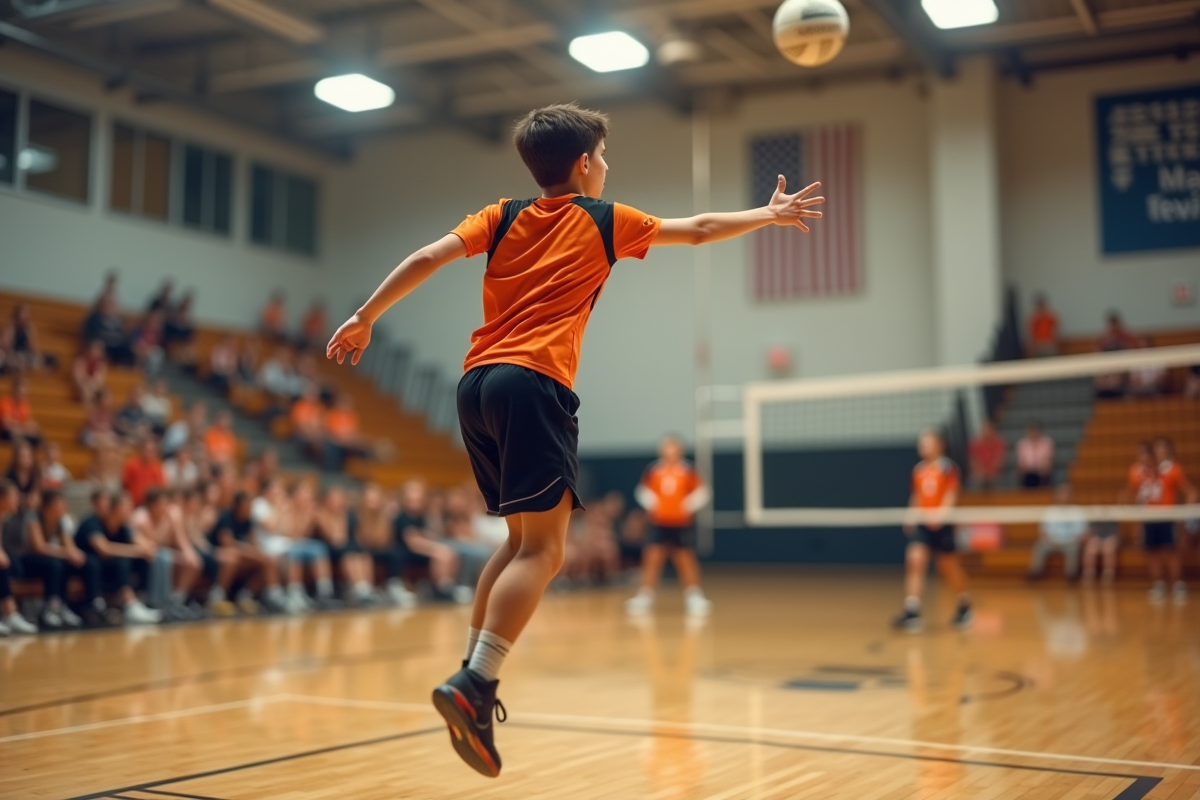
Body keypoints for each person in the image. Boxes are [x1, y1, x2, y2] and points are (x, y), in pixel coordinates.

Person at [324, 101, 824, 777]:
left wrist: (364, 316)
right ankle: (476, 684)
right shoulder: (604, 219)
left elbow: (427, 256)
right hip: (534, 384)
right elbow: (701, 229)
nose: (608, 167)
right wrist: (770, 215)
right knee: (547, 552)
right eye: (605, 157)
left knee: (519, 543)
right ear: (585, 164)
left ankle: (470, 677)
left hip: (475, 385)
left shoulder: (499, 215)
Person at [893, 429, 971, 633]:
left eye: (926, 442)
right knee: (915, 560)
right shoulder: (918, 469)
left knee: (949, 567)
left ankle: (964, 605)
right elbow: (917, 495)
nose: (922, 446)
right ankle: (912, 612)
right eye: (921, 442)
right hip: (923, 524)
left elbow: (951, 493)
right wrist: (911, 514)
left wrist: (942, 515)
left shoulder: (947, 468)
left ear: (938, 445)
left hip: (942, 525)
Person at [625, 436, 712, 616]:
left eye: (673, 448)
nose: (670, 452)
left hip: (681, 522)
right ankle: (646, 596)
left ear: (679, 450)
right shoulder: (654, 470)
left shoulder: (687, 470)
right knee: (652, 557)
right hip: (659, 522)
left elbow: (703, 491)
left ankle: (694, 596)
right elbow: (642, 490)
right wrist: (653, 504)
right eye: (666, 448)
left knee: (685, 557)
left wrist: (688, 505)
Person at [73, 492, 163, 625]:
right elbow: (105, 549)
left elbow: (145, 546)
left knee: (143, 560)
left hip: (109, 570)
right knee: (122, 562)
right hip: (84, 569)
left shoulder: (124, 527)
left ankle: (140, 601)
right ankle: (128, 605)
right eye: (126, 507)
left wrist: (145, 549)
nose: (130, 510)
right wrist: (137, 550)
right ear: (114, 508)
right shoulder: (92, 523)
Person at [129, 488, 202, 619]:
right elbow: (153, 544)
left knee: (193, 563)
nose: (166, 507)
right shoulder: (140, 517)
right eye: (163, 503)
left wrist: (189, 553)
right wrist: (166, 523)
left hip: (163, 551)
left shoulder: (168, 516)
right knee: (164, 558)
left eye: (167, 503)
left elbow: (180, 538)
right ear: (152, 505)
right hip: (142, 556)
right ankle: (157, 602)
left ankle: (175, 601)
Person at [393, 480, 470, 603]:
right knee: (442, 554)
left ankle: (448, 585)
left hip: (421, 550)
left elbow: (426, 534)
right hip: (407, 552)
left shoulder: (421, 517)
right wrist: (435, 549)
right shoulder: (403, 517)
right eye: (412, 500)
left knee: (451, 552)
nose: (416, 503)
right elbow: (413, 542)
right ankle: (440, 588)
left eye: (418, 500)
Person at [209, 491, 286, 613]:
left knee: (267, 562)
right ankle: (215, 598)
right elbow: (227, 544)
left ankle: (247, 596)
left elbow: (253, 545)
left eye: (250, 506)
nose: (249, 509)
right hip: (217, 556)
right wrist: (253, 553)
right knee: (233, 558)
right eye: (246, 506)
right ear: (237, 506)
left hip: (242, 558)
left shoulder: (249, 521)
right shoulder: (226, 517)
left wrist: (256, 554)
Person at [1141, 438, 1197, 605]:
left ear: (1168, 451)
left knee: (1170, 550)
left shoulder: (1173, 469)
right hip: (1149, 518)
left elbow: (1191, 492)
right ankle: (1158, 584)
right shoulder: (1145, 471)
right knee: (1153, 551)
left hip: (1167, 517)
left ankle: (1177, 583)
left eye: (1161, 448)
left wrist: (1183, 514)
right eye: (1156, 449)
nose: (1158, 452)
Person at [353, 483, 415, 607]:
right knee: (361, 554)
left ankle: (394, 586)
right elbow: (362, 539)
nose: (372, 502)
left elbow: (385, 540)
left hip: (380, 549)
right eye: (370, 499)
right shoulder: (357, 515)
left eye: (375, 498)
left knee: (397, 552)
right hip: (364, 549)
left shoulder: (385, 516)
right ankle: (366, 591)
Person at [314, 485, 378, 605]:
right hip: (327, 548)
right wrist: (338, 518)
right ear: (326, 500)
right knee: (349, 554)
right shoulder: (321, 514)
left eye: (339, 498)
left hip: (344, 546)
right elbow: (334, 538)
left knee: (363, 553)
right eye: (334, 499)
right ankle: (358, 589)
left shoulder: (346, 513)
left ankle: (367, 588)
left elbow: (348, 537)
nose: (338, 502)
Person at [0, 480, 40, 634]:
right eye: (13, 496)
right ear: (2, 498)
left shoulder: (2, 516)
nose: (17, 500)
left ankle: (10, 614)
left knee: (7, 566)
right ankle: (10, 614)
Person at [1027, 485, 1089, 581]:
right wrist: (1050, 540)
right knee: (1039, 546)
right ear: (1057, 496)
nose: (1063, 497)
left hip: (1070, 542)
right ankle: (1035, 572)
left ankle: (1071, 575)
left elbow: (1083, 531)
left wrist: (1076, 540)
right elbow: (1043, 531)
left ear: (1070, 497)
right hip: (1052, 541)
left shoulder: (1077, 511)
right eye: (1061, 495)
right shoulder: (1050, 511)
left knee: (1074, 548)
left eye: (1065, 495)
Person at [1, 302, 52, 373]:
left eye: (27, 313)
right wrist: (11, 328)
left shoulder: (29, 328)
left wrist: (29, 334)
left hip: (24, 355)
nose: (24, 316)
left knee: (45, 359)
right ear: (17, 314)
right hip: (11, 354)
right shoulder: (9, 326)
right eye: (23, 312)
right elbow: (5, 345)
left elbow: (33, 347)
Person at [122, 437, 165, 507]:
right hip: (134, 504)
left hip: (152, 506)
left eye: (152, 451)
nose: (149, 453)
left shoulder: (157, 466)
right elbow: (125, 485)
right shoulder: (131, 465)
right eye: (147, 450)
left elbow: (161, 488)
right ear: (141, 450)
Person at [0, 376, 42, 446]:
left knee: (37, 436)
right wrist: (21, 426)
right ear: (14, 390)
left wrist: (23, 427)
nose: (23, 395)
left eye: (24, 392)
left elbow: (29, 423)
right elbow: (6, 424)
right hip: (4, 433)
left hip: (19, 431)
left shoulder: (24, 405)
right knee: (16, 435)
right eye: (20, 392)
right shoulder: (5, 403)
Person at [968, 419, 1006, 491]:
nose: (987, 431)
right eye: (985, 428)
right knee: (975, 482)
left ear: (993, 430)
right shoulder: (974, 443)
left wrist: (990, 472)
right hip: (979, 473)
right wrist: (982, 472)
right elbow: (973, 461)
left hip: (994, 473)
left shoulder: (999, 443)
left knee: (997, 482)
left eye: (989, 428)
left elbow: (999, 460)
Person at [1015, 421, 1054, 488]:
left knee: (1044, 473)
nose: (1033, 433)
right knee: (1025, 476)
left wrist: (1042, 467)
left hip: (1042, 472)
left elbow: (1049, 459)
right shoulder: (1022, 444)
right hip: (1028, 473)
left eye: (1035, 430)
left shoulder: (1047, 443)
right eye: (1031, 431)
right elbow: (1021, 461)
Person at [5, 438, 41, 508]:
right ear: (16, 457)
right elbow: (7, 497)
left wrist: (35, 499)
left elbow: (38, 496)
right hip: (12, 508)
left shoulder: (36, 473)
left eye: (28, 456)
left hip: (30, 509)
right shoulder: (9, 474)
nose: (25, 459)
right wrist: (23, 500)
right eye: (22, 456)